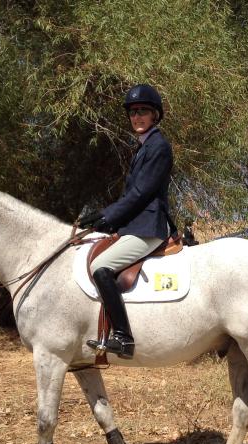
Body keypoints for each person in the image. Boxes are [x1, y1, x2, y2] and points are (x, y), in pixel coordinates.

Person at [78, 84, 174, 358]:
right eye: (133, 113)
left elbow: (142, 193)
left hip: (149, 227)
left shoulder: (159, 146)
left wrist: (108, 214)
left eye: (143, 111)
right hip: (135, 225)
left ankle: (123, 337)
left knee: (100, 266)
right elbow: (133, 195)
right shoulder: (142, 147)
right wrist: (105, 221)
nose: (137, 117)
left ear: (155, 115)